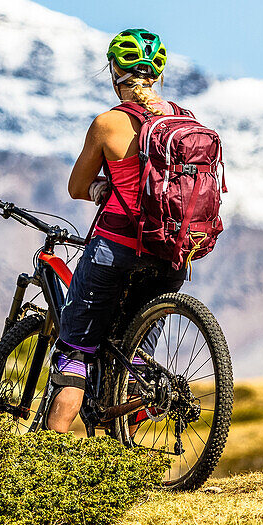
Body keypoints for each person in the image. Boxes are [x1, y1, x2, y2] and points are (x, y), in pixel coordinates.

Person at [45, 28, 186, 433]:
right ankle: (121, 446)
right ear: (157, 75)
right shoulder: (183, 120)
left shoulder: (108, 124)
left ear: (114, 72)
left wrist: (98, 188)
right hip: (170, 256)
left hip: (115, 250)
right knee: (134, 353)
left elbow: (75, 187)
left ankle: (41, 466)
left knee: (75, 352)